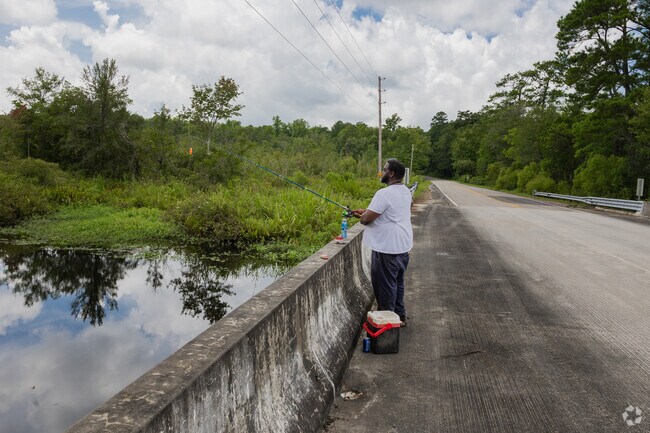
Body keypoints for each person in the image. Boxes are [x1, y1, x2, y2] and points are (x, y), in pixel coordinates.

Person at [352, 158, 413, 325]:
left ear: (391, 173)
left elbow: (366, 220)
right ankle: (399, 317)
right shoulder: (405, 191)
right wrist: (365, 211)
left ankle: (387, 326)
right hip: (403, 247)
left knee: (385, 288)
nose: (382, 172)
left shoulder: (384, 193)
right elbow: (389, 213)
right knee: (397, 284)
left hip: (387, 249)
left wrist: (364, 216)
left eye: (384, 169)